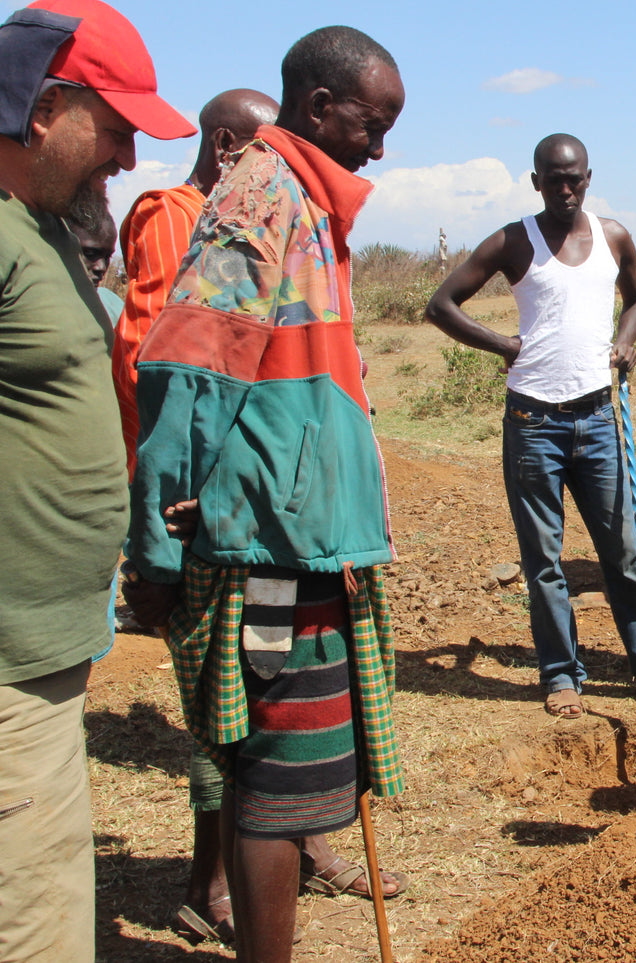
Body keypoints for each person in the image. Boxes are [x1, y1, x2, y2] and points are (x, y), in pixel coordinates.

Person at [122, 26, 406, 962]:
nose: (379, 144)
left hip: (303, 535)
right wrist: (158, 555)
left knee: (299, 776)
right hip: (269, 549)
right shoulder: (259, 196)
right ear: (321, 108)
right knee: (275, 786)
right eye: (372, 122)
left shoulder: (306, 202)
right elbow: (190, 366)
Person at [0, 1, 191, 959]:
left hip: (40, 656)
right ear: (43, 108)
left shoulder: (39, 227)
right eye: (115, 130)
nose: (125, 158)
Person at [427, 134, 636, 719]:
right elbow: (441, 305)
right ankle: (561, 675)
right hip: (532, 421)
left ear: (589, 177)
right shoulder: (512, 240)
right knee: (544, 559)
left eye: (574, 179)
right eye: (553, 179)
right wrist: (502, 344)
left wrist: (625, 344)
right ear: (535, 182)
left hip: (599, 417)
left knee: (625, 551)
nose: (565, 189)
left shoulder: (614, 236)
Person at [114, 87, 279, 477]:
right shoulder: (172, 216)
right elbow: (154, 351)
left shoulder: (231, 228)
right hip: (172, 462)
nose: (277, 174)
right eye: (267, 156)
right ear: (224, 144)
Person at [67, 202, 122, 322]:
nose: (101, 267)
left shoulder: (113, 307)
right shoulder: (29, 303)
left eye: (108, 257)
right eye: (90, 254)